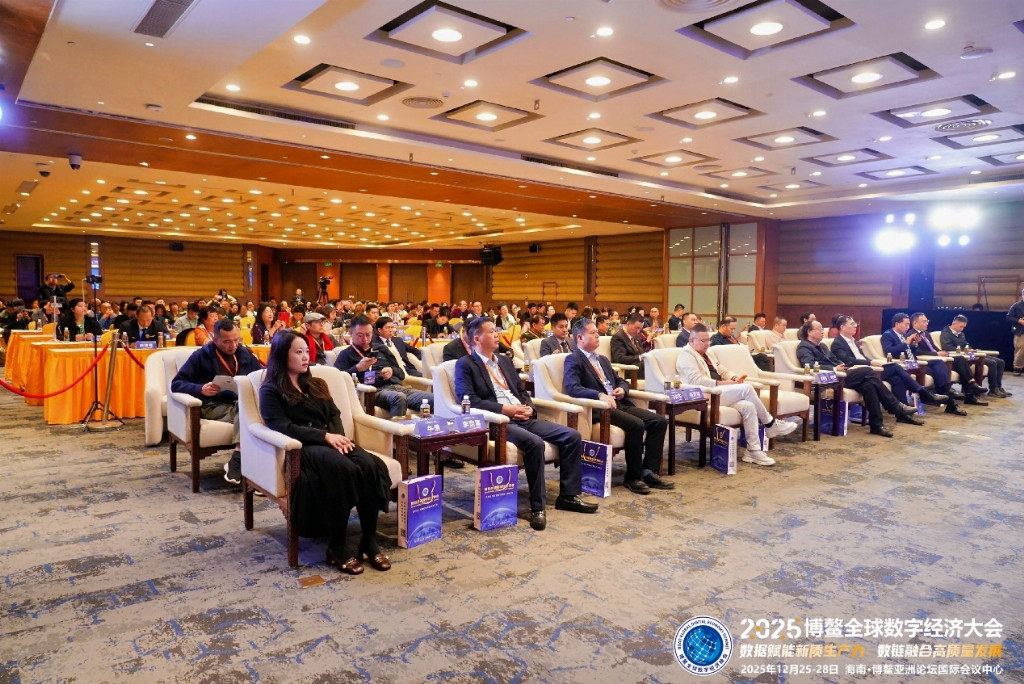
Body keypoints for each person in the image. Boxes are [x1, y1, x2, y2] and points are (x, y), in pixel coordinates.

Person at [258, 330, 392, 575]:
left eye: (306, 351)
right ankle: (337, 545)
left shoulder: (317, 383)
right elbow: (282, 426)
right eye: (298, 352)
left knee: (371, 465)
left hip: (332, 440)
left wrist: (337, 438)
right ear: (282, 355)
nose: (305, 357)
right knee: (344, 469)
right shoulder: (271, 389)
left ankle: (369, 540)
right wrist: (325, 437)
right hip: (304, 447)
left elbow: (334, 414)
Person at [455, 317, 597, 531]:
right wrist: (505, 410)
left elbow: (521, 391)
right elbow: (468, 399)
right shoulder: (465, 364)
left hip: (523, 416)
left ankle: (568, 496)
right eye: (491, 331)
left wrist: (528, 407)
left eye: (496, 330)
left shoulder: (503, 361)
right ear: (477, 338)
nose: (497, 335)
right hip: (498, 422)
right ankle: (537, 507)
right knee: (535, 444)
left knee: (572, 436)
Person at [564, 320, 672, 494]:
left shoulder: (602, 359)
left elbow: (620, 380)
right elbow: (572, 387)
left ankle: (649, 471)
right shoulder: (573, 359)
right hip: (600, 409)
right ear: (580, 338)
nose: (597, 335)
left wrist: (623, 388)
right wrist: (599, 395)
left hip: (619, 403)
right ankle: (633, 477)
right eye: (592, 333)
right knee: (636, 424)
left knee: (659, 421)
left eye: (597, 332)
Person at [677, 324, 797, 465]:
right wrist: (725, 383)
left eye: (708, 340)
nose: (707, 344)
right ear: (692, 340)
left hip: (719, 393)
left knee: (748, 406)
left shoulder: (707, 353)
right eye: (703, 341)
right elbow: (696, 381)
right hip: (704, 395)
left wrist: (734, 378)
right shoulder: (686, 356)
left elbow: (722, 369)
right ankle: (770, 423)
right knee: (746, 388)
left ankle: (753, 451)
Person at [170, 319, 263, 484]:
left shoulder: (245, 354)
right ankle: (243, 463)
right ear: (215, 339)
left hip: (238, 402)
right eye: (226, 341)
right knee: (249, 411)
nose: (232, 345)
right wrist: (200, 388)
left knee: (253, 408)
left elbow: (260, 376)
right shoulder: (201, 356)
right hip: (212, 405)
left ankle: (241, 459)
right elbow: (176, 384)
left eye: (236, 340)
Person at [797, 320, 921, 438]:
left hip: (841, 374)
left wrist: (842, 365)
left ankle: (876, 425)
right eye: (819, 328)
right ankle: (896, 407)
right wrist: (834, 369)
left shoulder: (823, 346)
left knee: (869, 385)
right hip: (827, 378)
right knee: (868, 371)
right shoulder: (804, 347)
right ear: (809, 332)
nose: (822, 331)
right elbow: (809, 365)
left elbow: (835, 360)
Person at [830, 315, 955, 413]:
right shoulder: (838, 343)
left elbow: (862, 357)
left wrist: (914, 345)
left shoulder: (854, 341)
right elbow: (848, 360)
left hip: (870, 367)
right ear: (842, 327)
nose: (855, 326)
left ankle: (903, 412)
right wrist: (870, 362)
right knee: (895, 367)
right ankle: (923, 394)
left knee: (897, 379)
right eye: (852, 324)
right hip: (861, 372)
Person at [334, 315, 433, 418]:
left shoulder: (382, 348)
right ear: (351, 333)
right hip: (373, 392)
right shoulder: (346, 354)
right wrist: (358, 368)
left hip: (398, 388)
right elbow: (337, 380)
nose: (365, 339)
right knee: (398, 398)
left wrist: (391, 370)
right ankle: (397, 429)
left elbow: (401, 374)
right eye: (360, 335)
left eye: (368, 334)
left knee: (433, 399)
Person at [882, 313, 983, 404]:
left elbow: (911, 351)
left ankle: (945, 391)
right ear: (897, 324)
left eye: (908, 324)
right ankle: (941, 396)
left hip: (914, 362)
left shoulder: (904, 335)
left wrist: (915, 344)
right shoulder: (888, 335)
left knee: (938, 364)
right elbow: (890, 351)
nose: (908, 327)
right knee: (937, 370)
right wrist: (906, 343)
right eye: (906, 324)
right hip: (906, 363)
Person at [940, 314, 1010, 398]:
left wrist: (970, 350)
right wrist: (964, 350)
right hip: (960, 357)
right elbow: (947, 347)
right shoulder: (945, 333)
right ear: (954, 323)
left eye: (964, 327)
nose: (962, 329)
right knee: (992, 363)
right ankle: (993, 389)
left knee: (1001, 362)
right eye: (961, 326)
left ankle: (999, 387)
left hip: (969, 354)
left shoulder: (961, 334)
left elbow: (966, 345)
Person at [1007, 289, 1024, 376]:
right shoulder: (1016, 306)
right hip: (1020, 331)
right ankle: (1017, 367)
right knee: (1020, 349)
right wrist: (1019, 320)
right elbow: (1008, 317)